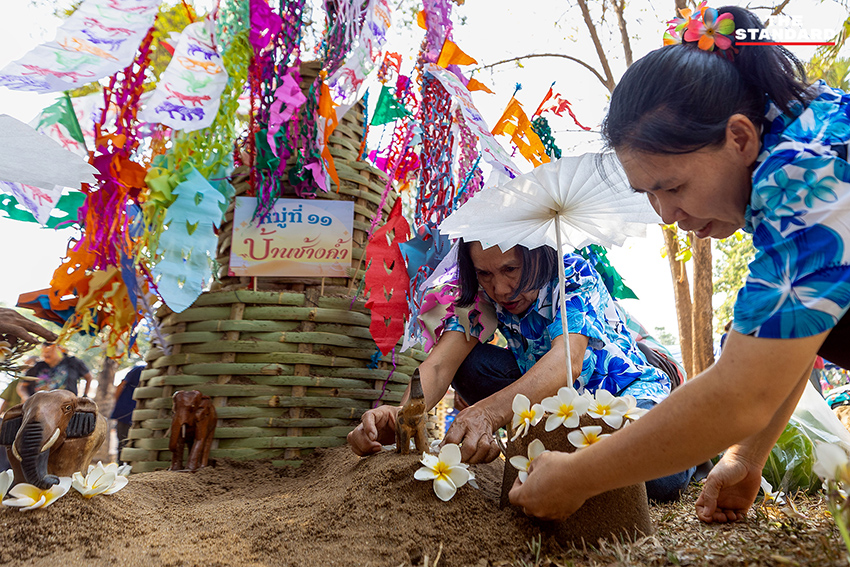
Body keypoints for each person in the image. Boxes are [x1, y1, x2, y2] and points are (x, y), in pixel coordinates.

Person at [509, 5, 850, 523]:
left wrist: (576, 476)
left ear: (738, 138)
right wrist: (745, 457)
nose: (668, 215)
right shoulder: (790, 133)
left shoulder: (805, 174)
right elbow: (798, 322)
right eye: (648, 193)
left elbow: (741, 392)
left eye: (672, 187)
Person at [348, 239, 696, 502]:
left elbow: (567, 362)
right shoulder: (480, 295)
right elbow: (440, 366)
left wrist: (486, 413)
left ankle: (692, 443)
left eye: (510, 270)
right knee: (471, 365)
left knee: (657, 479)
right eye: (484, 273)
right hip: (552, 401)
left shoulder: (571, 273)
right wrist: (401, 414)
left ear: (537, 256)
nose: (499, 289)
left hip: (622, 392)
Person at [25, 343, 93, 397]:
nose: (45, 354)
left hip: (67, 404)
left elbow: (89, 377)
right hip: (40, 403)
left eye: (49, 351)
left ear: (59, 349)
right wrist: (25, 397)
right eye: (43, 351)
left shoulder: (73, 362)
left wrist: (85, 395)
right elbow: (22, 386)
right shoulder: (38, 366)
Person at [111, 364, 144, 465]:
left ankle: (126, 465)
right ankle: (121, 466)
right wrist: (117, 404)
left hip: (136, 413)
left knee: (127, 442)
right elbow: (122, 385)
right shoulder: (139, 369)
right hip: (126, 411)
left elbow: (121, 385)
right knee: (123, 441)